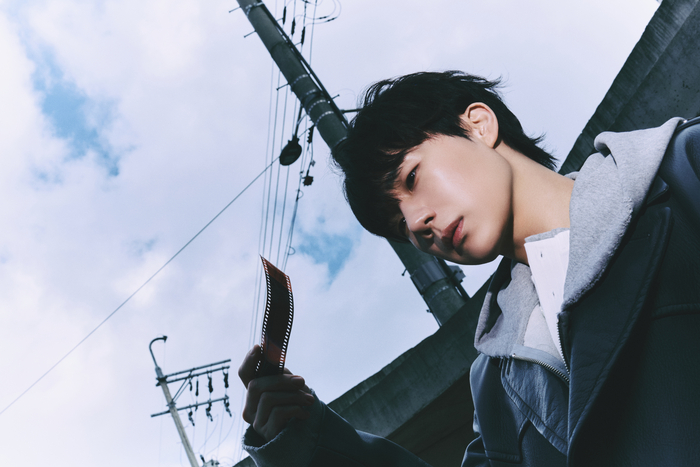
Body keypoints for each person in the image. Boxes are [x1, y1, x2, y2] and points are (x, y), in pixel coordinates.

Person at [238, 71, 700, 466]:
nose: (416, 223)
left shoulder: (685, 172)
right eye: (400, 225)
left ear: (478, 124)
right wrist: (310, 440)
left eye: (411, 177)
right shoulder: (495, 385)